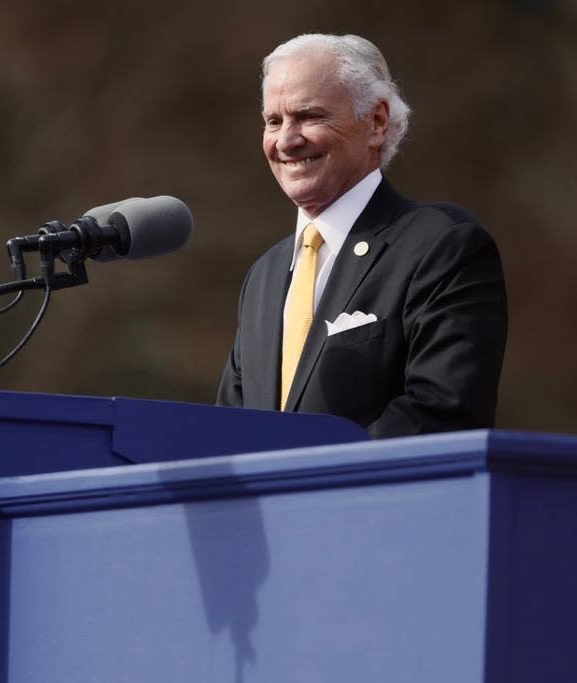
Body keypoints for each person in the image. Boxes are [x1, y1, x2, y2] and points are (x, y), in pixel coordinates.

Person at [217, 34, 507, 438]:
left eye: (309, 116)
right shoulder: (263, 277)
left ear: (376, 122)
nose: (286, 140)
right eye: (274, 121)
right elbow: (228, 431)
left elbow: (443, 412)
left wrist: (308, 479)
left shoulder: (440, 247)